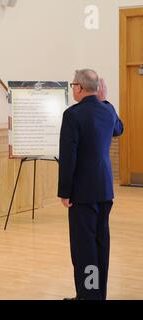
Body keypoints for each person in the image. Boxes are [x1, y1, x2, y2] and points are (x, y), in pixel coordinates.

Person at [58, 69, 124, 300]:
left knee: (84, 249)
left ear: (80, 87)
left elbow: (69, 157)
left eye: (73, 83)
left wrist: (65, 191)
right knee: (100, 244)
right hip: (105, 189)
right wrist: (104, 99)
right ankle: (97, 294)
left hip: (82, 192)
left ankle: (88, 296)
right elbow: (119, 129)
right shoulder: (107, 110)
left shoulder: (72, 115)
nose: (72, 87)